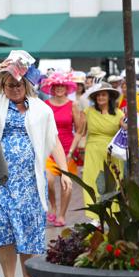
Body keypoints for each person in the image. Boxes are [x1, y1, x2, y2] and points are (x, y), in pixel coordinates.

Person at [0, 59, 71, 277]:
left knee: (28, 236)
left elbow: (54, 141)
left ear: (27, 84)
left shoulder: (41, 109)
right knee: (5, 233)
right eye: (9, 84)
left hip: (30, 183)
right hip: (2, 181)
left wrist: (64, 172)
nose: (14, 88)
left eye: (18, 84)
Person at [41, 72, 82, 227]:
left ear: (67, 88)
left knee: (67, 185)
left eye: (62, 86)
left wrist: (71, 151)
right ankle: (53, 206)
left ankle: (62, 215)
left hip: (69, 150)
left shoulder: (73, 105)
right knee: (48, 181)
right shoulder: (46, 105)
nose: (59, 88)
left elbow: (78, 131)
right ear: (52, 87)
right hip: (50, 150)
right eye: (56, 86)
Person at [81, 82, 124, 220]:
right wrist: (71, 151)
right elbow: (80, 133)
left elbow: (125, 133)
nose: (100, 97)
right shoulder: (88, 112)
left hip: (112, 153)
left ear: (109, 97)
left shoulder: (119, 114)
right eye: (98, 95)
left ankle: (114, 216)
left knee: (113, 182)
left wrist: (125, 126)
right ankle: (95, 217)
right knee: (91, 181)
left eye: (103, 94)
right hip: (93, 151)